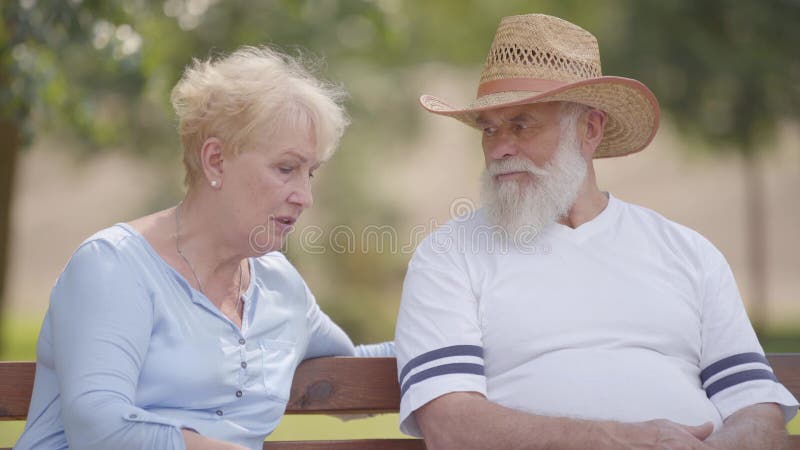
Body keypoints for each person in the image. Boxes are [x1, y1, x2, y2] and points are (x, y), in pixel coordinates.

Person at [394, 14, 798, 450]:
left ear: (590, 130)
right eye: (489, 129)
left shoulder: (687, 252)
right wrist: (617, 440)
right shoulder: (449, 255)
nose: (500, 147)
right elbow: (451, 426)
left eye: (522, 124)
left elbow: (757, 411)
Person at [15, 46, 393, 450]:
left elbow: (352, 367)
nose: (305, 196)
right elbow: (101, 428)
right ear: (215, 161)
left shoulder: (281, 288)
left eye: (310, 173)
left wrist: (457, 338)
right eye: (286, 169)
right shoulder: (114, 266)